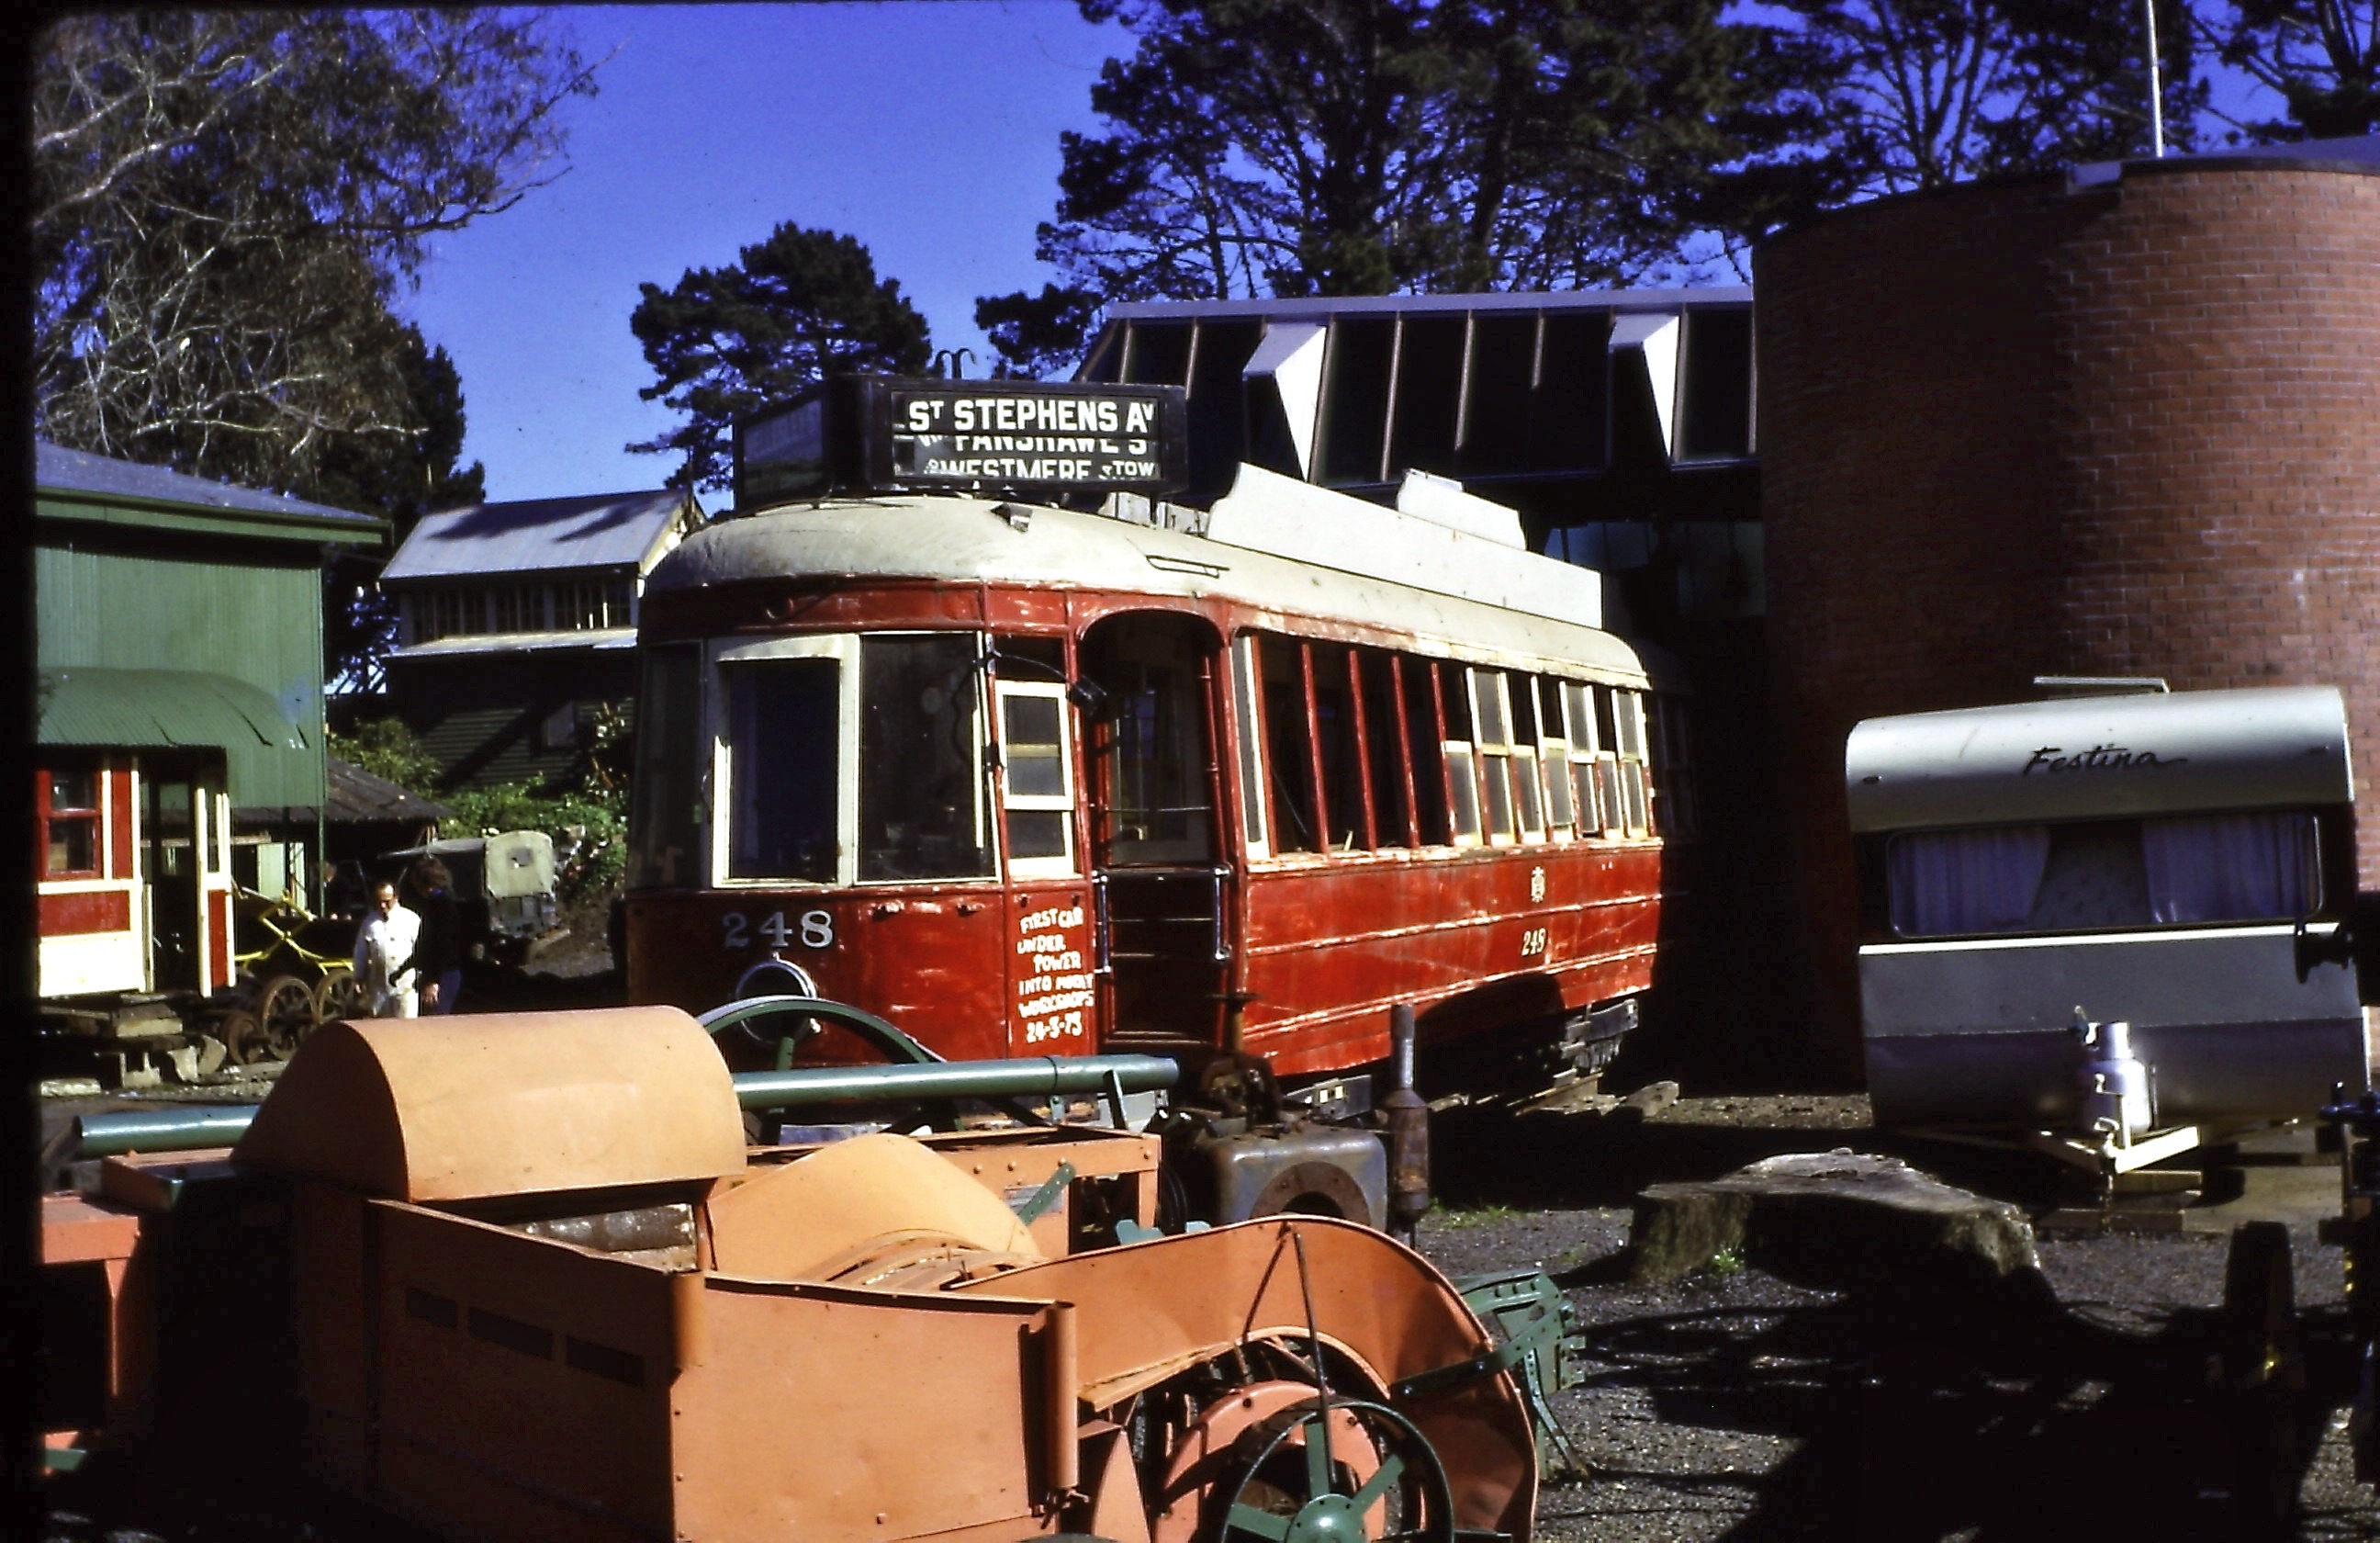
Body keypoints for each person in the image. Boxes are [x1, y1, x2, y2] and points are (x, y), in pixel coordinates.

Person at [353, 882, 421, 1018]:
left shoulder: (411, 920)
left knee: (407, 1027)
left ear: (396, 898)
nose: (383, 906)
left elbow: (421, 951)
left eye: (387, 901)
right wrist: (358, 977)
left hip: (405, 989)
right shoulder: (369, 922)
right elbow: (361, 952)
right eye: (379, 902)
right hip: (379, 990)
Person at [407, 855, 464, 1015]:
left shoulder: (441, 905)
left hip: (444, 974)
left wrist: (433, 981)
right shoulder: (435, 903)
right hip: (439, 973)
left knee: (436, 1020)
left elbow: (441, 945)